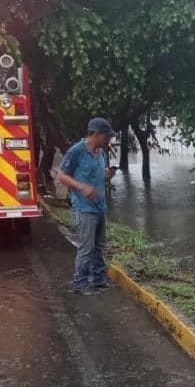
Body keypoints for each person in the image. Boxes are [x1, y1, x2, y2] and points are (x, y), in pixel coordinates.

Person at [57, 118, 117, 295]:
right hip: (84, 209)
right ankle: (80, 283)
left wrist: (108, 174)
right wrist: (81, 187)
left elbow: (99, 174)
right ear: (96, 134)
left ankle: (99, 280)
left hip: (100, 207)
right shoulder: (77, 151)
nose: (109, 140)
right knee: (86, 248)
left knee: (99, 246)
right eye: (106, 136)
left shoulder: (101, 153)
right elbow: (61, 176)